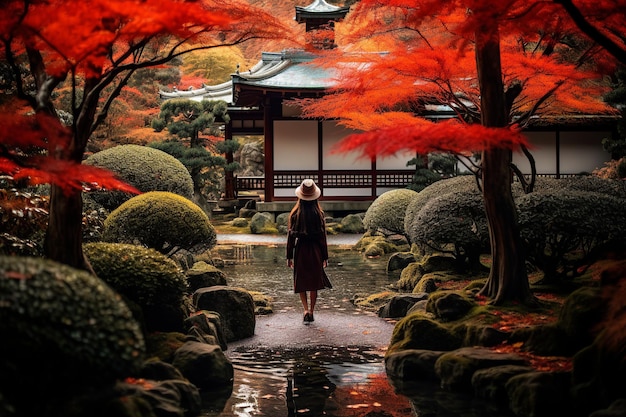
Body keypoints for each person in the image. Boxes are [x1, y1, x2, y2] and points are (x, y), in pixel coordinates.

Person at [286, 178, 329, 324]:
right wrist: (325, 256)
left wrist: (288, 256)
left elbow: (291, 237)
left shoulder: (295, 214)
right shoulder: (319, 214)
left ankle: (304, 309)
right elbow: (323, 237)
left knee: (302, 280)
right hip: (315, 250)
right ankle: (312, 310)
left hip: (301, 250)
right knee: (314, 282)